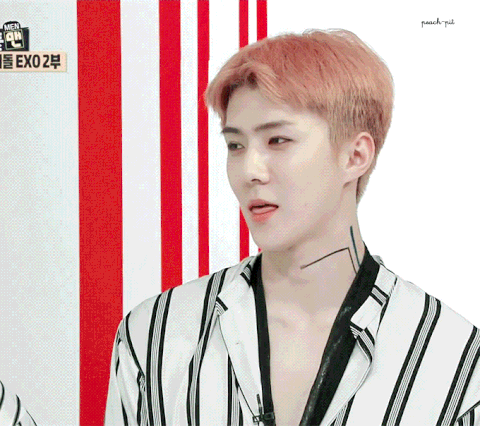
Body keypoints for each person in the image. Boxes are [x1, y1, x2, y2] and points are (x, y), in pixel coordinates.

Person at [104, 29, 480, 425]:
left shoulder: (457, 365)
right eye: (235, 145)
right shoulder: (154, 336)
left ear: (355, 156)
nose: (249, 170)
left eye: (278, 140)